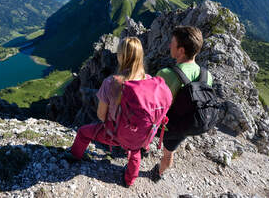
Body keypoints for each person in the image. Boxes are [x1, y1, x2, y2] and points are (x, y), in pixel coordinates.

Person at [67, 37, 150, 187]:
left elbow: (101, 115)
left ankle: (74, 156)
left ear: (121, 56)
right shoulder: (150, 81)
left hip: (115, 134)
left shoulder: (111, 82)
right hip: (141, 135)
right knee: (135, 150)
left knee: (83, 132)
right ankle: (129, 180)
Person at [152, 26, 213, 181]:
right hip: (186, 125)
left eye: (172, 43)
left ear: (181, 50)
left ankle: (142, 148)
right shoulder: (207, 76)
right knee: (169, 152)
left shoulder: (166, 74)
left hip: (165, 125)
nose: (169, 46)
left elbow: (153, 107)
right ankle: (158, 173)